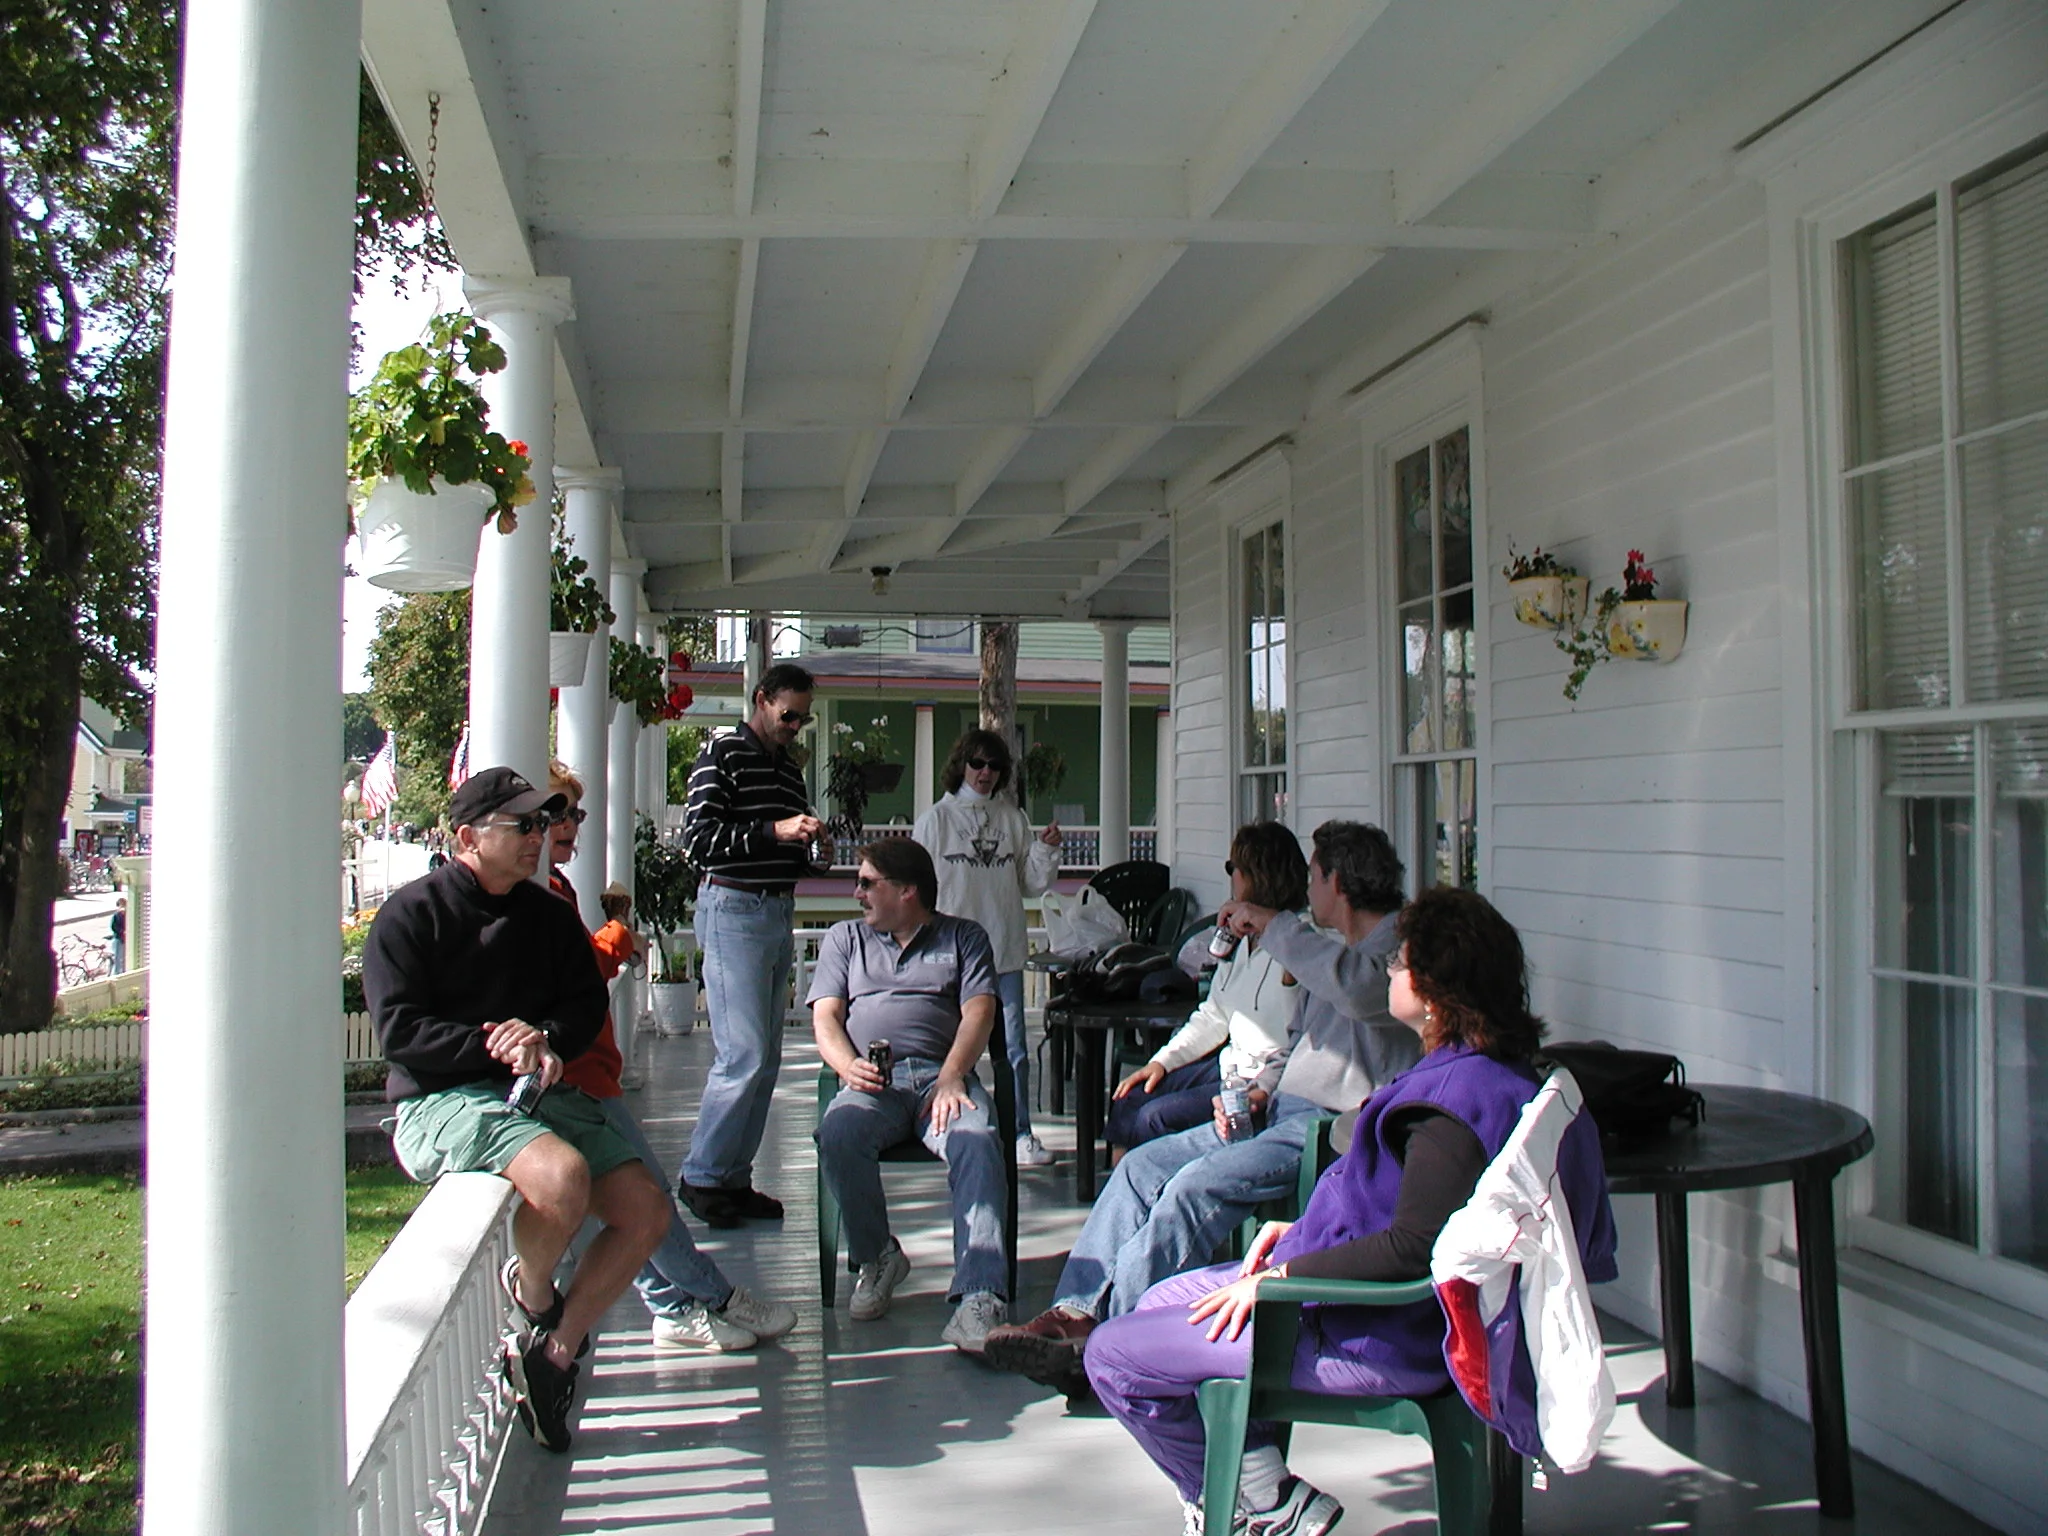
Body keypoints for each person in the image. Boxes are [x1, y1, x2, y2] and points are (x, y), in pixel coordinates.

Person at [1084, 887, 1619, 1536]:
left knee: (1112, 1354)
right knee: (1158, 1301)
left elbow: (1413, 1246)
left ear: (1433, 986)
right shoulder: (1500, 1072)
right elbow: (1421, 1212)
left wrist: (1282, 1276)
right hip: (1354, 1301)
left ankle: (1260, 1503)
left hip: (1370, 1330)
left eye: (1399, 961)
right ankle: (1261, 1483)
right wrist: (1302, 1231)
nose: (1388, 970)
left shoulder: (1451, 1103)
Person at [984, 821, 1414, 1394]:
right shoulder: (1332, 951)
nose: (1308, 891)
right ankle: (1072, 1313)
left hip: (1325, 1128)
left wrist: (1274, 925)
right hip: (1275, 1108)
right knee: (1140, 1167)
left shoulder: (1394, 950)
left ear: (1336, 881)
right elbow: (1299, 1041)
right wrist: (1260, 1089)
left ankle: (1110, 1345)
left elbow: (1361, 994)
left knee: (1191, 1188)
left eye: (1315, 876)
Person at [361, 766, 668, 1454]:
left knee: (646, 1210)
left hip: (537, 1094)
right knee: (560, 1179)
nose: (541, 836)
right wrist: (497, 1046)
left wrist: (549, 1042)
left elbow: (583, 1004)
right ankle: (534, 1299)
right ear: (468, 837)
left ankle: (551, 1355)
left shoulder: (549, 916)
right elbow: (402, 1033)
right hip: (441, 1100)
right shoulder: (410, 916)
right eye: (523, 825)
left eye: (543, 823)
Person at [543, 762, 798, 1353]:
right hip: (571, 1078)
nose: (565, 826)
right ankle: (715, 1298)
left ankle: (676, 1306)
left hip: (590, 1070)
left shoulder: (554, 889)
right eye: (556, 812)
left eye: (572, 813)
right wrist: (617, 937)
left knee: (635, 1209)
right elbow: (579, 975)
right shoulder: (539, 896)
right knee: (647, 1200)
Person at [809, 838, 1011, 1353]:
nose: (857, 893)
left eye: (867, 883)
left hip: (941, 1078)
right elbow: (826, 1016)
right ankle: (877, 1256)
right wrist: (845, 1065)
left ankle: (979, 1295)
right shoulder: (845, 940)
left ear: (906, 892)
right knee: (838, 1131)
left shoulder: (963, 937)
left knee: (976, 1137)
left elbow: (980, 1011)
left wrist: (951, 1075)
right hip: (873, 1080)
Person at [677, 662, 823, 1229]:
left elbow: (788, 843)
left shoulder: (789, 770)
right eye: (789, 715)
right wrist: (775, 831)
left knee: (765, 1059)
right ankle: (702, 1176)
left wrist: (810, 847)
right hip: (733, 906)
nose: (795, 727)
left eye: (803, 720)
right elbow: (698, 841)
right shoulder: (722, 755)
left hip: (776, 908)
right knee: (743, 1053)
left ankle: (733, 1178)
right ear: (761, 700)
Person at [911, 728, 1062, 1168]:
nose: (985, 773)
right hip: (950, 955)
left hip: (1004, 951)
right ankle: (946, 1125)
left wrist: (1045, 851)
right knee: (947, 1047)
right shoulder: (936, 821)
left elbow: (1032, 883)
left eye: (995, 766)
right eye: (977, 763)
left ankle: (1021, 1133)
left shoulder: (1012, 818)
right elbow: (918, 889)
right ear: (961, 764)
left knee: (1012, 1050)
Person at [1106, 823, 1305, 1156]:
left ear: (1257, 875)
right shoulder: (1244, 938)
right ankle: (1117, 1198)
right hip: (1228, 1066)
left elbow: (1296, 1021)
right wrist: (1163, 1062)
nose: (1231, 877)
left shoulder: (1301, 941)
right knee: (1131, 1097)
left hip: (1261, 1081)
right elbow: (1214, 1016)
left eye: (1233, 868)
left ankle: (1145, 1199)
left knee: (1154, 1119)